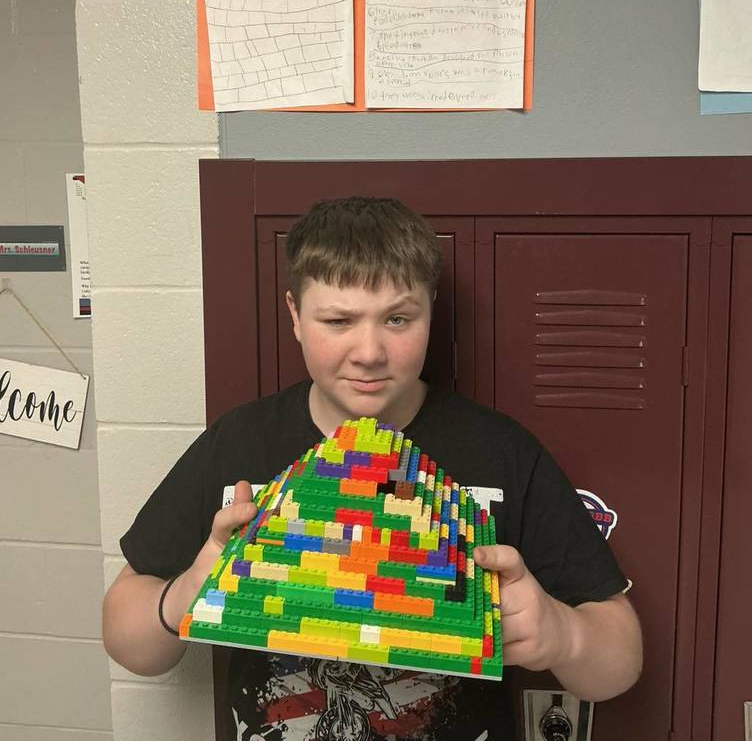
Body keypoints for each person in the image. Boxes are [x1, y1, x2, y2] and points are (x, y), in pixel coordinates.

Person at [103, 197, 642, 741]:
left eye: (398, 319)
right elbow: (128, 640)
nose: (369, 352)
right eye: (338, 320)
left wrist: (562, 635)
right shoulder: (238, 443)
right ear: (293, 314)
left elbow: (620, 659)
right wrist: (187, 594)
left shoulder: (502, 452)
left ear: (431, 309)